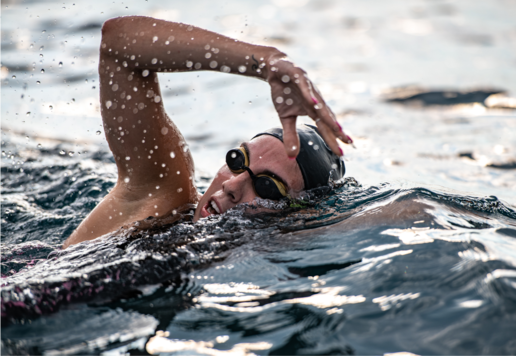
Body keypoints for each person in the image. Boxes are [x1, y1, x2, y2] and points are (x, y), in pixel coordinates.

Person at [62, 16, 352, 249]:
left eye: (267, 187)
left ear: (299, 216)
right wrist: (266, 63)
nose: (232, 186)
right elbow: (120, 46)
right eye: (238, 160)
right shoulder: (163, 197)